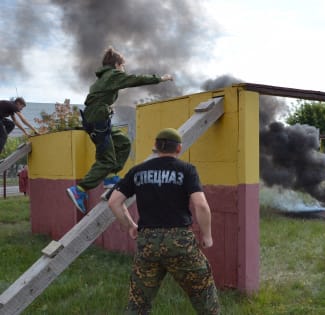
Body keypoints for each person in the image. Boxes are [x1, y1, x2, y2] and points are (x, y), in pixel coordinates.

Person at [108, 128, 220, 315]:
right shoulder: (186, 170)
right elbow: (201, 205)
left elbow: (114, 202)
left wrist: (130, 226)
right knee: (204, 296)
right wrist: (207, 236)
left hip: (148, 243)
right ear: (178, 148)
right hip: (180, 243)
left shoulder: (137, 171)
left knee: (138, 303)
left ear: (155, 146)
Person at [66, 47, 173, 213]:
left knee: (123, 142)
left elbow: (99, 98)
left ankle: (111, 178)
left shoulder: (102, 79)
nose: (124, 69)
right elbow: (134, 79)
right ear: (117, 64)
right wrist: (160, 78)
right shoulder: (113, 75)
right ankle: (79, 189)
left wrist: (107, 108)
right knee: (106, 159)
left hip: (98, 118)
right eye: (123, 66)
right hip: (98, 119)